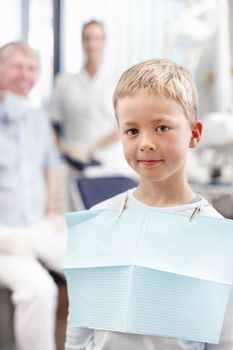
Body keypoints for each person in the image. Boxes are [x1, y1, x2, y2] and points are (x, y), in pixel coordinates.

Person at [64, 58, 233, 350]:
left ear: (194, 134)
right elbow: (78, 335)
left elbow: (224, 341)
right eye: (132, 131)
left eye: (162, 128)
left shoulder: (216, 237)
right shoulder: (98, 221)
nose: (145, 143)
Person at [0, 41, 67, 350]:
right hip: (4, 232)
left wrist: (53, 214)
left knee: (92, 266)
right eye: (17, 67)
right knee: (40, 291)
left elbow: (50, 169)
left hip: (37, 223)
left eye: (31, 69)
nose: (25, 75)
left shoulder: (38, 119)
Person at [48, 19, 131, 180]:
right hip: (76, 166)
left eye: (97, 38)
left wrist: (92, 147)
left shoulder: (120, 80)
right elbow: (53, 122)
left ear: (104, 42)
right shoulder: (65, 82)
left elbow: (127, 124)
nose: (92, 44)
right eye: (87, 38)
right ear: (82, 42)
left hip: (112, 165)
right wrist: (62, 148)